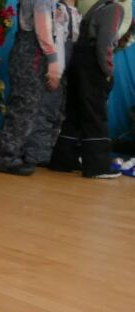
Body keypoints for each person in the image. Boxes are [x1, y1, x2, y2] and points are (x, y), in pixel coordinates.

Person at [50, 0, 125, 178]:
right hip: (92, 63)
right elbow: (104, 44)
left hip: (78, 60)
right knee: (95, 113)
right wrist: (108, 71)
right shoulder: (115, 9)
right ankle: (97, 167)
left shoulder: (99, 6)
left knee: (74, 112)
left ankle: (63, 160)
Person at [0, 0, 65, 176]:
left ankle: (11, 153)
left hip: (29, 51)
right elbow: (43, 29)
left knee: (25, 106)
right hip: (31, 54)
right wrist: (54, 61)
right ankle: (5, 157)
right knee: (24, 106)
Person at [22, 0, 82, 167]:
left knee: (58, 113)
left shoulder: (75, 12)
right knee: (46, 110)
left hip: (68, 69)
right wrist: (56, 69)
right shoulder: (57, 9)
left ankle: (49, 151)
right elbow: (56, 41)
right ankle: (37, 154)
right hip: (57, 65)